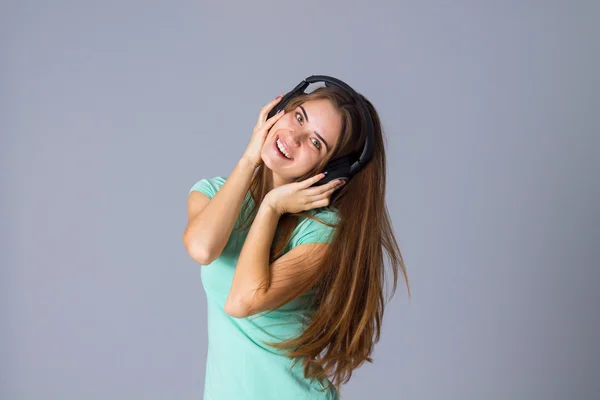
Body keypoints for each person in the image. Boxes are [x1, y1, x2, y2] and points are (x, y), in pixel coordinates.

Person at [183, 79, 410, 399]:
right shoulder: (212, 193)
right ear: (279, 108)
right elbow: (203, 248)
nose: (294, 137)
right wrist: (249, 159)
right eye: (299, 117)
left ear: (332, 171)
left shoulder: (322, 231)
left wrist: (271, 208)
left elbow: (241, 301)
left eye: (316, 143)